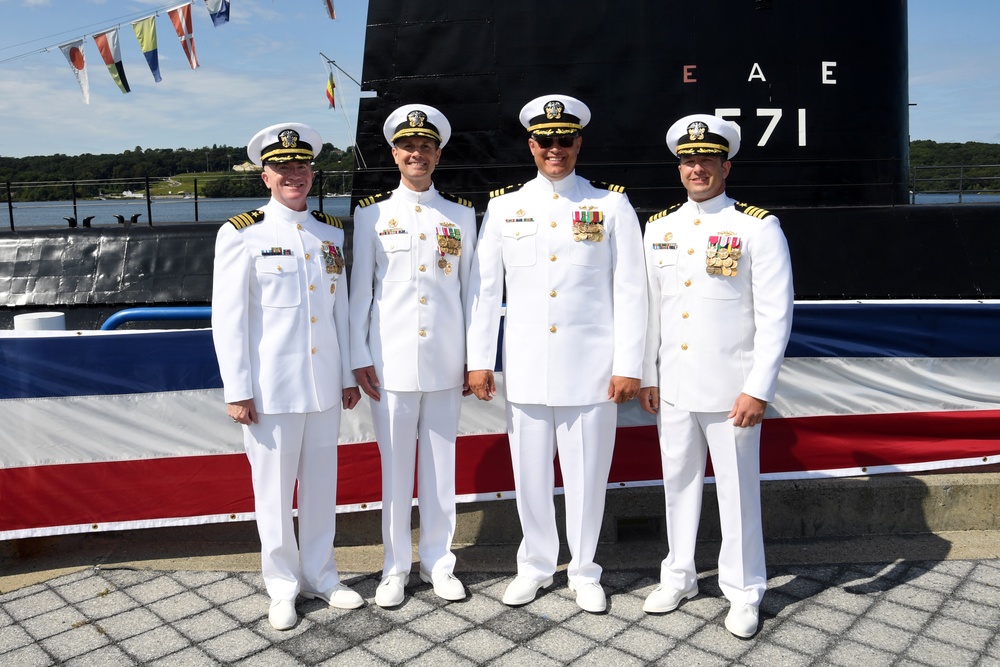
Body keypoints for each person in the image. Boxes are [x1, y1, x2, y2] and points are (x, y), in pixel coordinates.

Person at [465, 94, 647, 613]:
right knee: (530, 475)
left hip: (591, 372)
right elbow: (485, 290)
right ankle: (536, 565)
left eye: (564, 140)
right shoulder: (504, 207)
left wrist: (628, 365)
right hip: (525, 368)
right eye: (545, 141)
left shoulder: (611, 206)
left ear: (578, 143)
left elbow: (631, 289)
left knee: (588, 477)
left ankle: (585, 569)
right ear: (531, 144)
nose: (555, 149)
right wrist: (481, 360)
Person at [637, 114, 794, 638]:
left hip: (733, 389)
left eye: (707, 158)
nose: (696, 167)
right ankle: (679, 574)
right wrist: (647, 374)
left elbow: (775, 313)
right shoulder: (658, 227)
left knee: (737, 492)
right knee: (677, 484)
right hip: (675, 385)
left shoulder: (756, 226)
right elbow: (652, 309)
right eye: (688, 159)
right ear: (679, 166)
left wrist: (758, 387)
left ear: (726, 164)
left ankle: (745, 590)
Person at [211, 122, 363, 631]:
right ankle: (282, 586)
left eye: (301, 166)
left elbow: (337, 313)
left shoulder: (330, 232)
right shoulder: (241, 233)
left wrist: (345, 375)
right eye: (283, 168)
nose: (293, 174)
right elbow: (228, 319)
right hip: (271, 389)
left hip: (322, 386)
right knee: (273, 496)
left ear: (312, 173)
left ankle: (323, 575)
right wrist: (238, 390)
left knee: (322, 488)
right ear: (266, 176)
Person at [349, 104, 476, 608]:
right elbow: (362, 293)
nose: (416, 154)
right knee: (397, 469)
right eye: (408, 147)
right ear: (395, 154)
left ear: (437, 154)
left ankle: (439, 563)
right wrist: (358, 354)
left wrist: (473, 358)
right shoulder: (371, 214)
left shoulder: (461, 213)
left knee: (441, 470)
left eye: (425, 146)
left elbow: (472, 294)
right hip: (391, 364)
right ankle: (395, 567)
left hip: (445, 362)